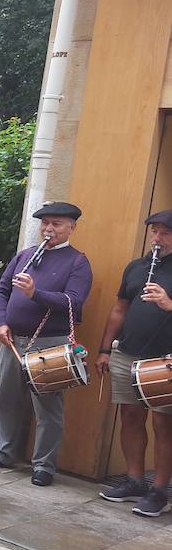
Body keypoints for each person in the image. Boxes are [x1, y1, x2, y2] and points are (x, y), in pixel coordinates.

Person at [0, 203, 92, 486]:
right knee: (6, 397)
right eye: (45, 224)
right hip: (14, 338)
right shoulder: (25, 256)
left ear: (72, 228)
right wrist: (2, 322)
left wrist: (35, 293)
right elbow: (2, 290)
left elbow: (73, 303)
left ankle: (44, 465)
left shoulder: (78, 262)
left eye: (57, 224)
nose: (49, 229)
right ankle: (3, 451)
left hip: (49, 342)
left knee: (48, 406)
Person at [97, 210, 172, 516]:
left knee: (163, 424)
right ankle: (134, 480)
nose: (157, 239)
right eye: (154, 232)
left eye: (165, 233)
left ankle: (159, 490)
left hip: (164, 358)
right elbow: (119, 309)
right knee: (129, 416)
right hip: (127, 353)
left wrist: (168, 303)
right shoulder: (137, 267)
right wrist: (104, 349)